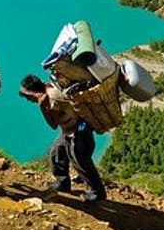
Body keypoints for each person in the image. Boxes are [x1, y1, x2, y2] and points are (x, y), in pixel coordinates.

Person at [19, 74, 107, 203]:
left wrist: (43, 107)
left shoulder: (52, 98)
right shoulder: (50, 86)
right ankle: (62, 182)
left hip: (79, 131)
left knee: (80, 161)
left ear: (36, 93)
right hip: (68, 130)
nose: (28, 100)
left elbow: (53, 124)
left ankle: (97, 192)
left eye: (28, 97)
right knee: (56, 152)